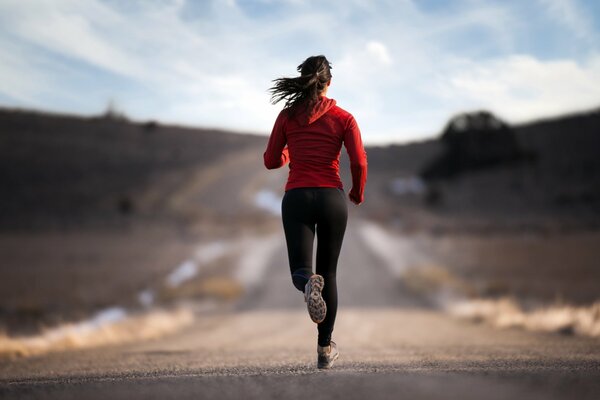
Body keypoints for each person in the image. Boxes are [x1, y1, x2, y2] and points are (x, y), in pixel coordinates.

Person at [263, 55, 367, 369]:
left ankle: (308, 283)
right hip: (332, 198)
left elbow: (271, 161)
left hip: (297, 197)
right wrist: (356, 192)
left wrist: (288, 151)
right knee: (330, 273)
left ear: (303, 80)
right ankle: (324, 349)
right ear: (328, 83)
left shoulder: (287, 116)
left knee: (302, 270)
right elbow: (359, 161)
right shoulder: (344, 117)